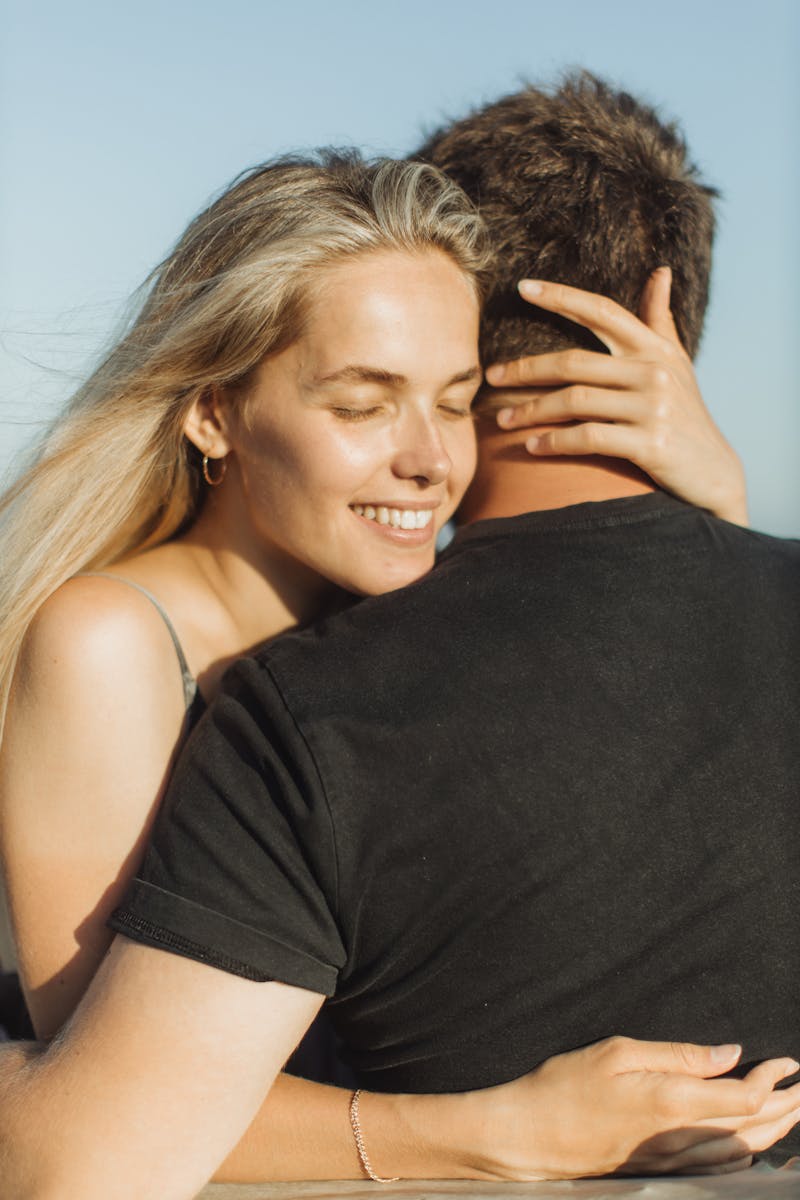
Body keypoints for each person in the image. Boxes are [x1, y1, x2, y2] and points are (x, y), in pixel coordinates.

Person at [0, 119, 794, 1194]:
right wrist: (500, 1129)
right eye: (362, 404)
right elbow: (111, 1110)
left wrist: (715, 503)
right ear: (214, 413)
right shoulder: (108, 643)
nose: (429, 460)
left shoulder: (386, 606)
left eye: (457, 401)